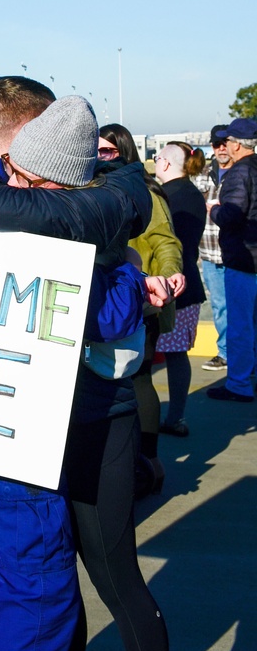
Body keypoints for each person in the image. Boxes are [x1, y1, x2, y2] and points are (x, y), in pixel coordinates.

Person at [0, 99, 196, 651]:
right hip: (36, 425)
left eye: (28, 181)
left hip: (99, 417)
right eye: (9, 174)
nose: (13, 191)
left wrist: (140, 287)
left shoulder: (96, 225)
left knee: (109, 574)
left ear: (63, 187)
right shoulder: (10, 211)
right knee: (43, 582)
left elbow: (113, 306)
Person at [99, 123, 183, 497]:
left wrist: (167, 276)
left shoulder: (147, 192)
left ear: (124, 152)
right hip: (108, 302)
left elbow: (165, 242)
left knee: (139, 378)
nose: (101, 158)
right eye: (95, 151)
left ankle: (149, 463)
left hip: (145, 300)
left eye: (109, 152)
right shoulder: (92, 190)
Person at [154, 143, 208, 436]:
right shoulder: (192, 194)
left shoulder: (168, 198)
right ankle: (176, 415)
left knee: (169, 356)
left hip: (172, 286)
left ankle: (172, 417)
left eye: (156, 157)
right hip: (189, 284)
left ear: (164, 163)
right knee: (177, 355)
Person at [207, 116, 257, 404]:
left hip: (243, 259)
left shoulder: (239, 173)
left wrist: (213, 209)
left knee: (240, 324)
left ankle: (238, 384)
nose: (224, 145)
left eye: (227, 141)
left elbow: (232, 214)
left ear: (237, 145)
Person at [196, 125, 231, 373]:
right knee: (219, 306)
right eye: (216, 144)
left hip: (238, 254)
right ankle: (225, 353)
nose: (220, 149)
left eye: (224, 144)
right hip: (209, 252)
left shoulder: (244, 173)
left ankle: (247, 355)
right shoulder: (203, 174)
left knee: (248, 309)